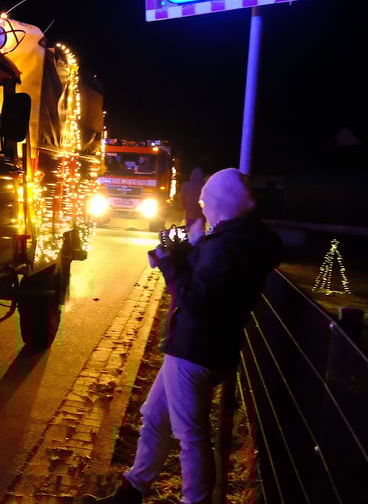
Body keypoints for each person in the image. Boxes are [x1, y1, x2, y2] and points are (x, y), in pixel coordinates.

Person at [86, 168, 281, 504]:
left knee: (190, 435)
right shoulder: (242, 240)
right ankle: (133, 489)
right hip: (204, 345)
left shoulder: (226, 246)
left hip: (194, 348)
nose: (204, 209)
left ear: (222, 204)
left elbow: (195, 300)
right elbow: (212, 284)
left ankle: (194, 500)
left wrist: (171, 262)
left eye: (207, 202)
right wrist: (186, 251)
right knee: (154, 415)